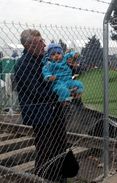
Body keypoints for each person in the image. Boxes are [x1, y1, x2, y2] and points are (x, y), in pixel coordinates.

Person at [14, 29, 78, 182]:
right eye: (39, 42)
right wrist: (62, 92)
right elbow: (35, 91)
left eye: (43, 40)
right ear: (29, 45)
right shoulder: (23, 65)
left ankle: (60, 177)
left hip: (54, 109)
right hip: (41, 113)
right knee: (45, 149)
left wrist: (68, 75)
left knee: (61, 144)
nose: (44, 45)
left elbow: (61, 74)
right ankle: (43, 178)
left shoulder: (44, 60)